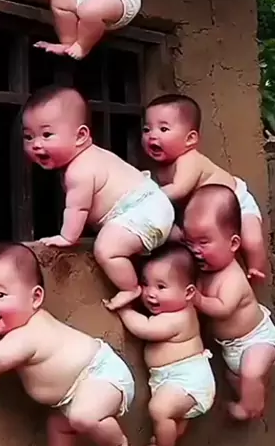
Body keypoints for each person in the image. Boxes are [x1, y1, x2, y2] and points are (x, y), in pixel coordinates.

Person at [0, 242, 135, 446]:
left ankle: (116, 445)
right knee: (59, 425)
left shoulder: (30, 334)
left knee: (82, 416)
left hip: (100, 375)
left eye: (0, 295)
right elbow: (5, 349)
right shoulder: (18, 332)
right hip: (75, 391)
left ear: (35, 298)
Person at [22, 85, 174, 310]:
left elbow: (78, 208)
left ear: (81, 136)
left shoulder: (79, 170)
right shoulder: (92, 157)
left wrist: (67, 237)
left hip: (141, 211)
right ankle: (175, 234)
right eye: (28, 136)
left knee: (106, 250)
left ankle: (130, 288)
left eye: (47, 135)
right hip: (152, 205)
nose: (36, 144)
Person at [183, 185, 275, 421]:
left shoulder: (232, 278)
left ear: (234, 243)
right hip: (231, 348)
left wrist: (198, 299)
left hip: (256, 340)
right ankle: (252, 390)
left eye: (204, 242)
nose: (195, 250)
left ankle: (251, 408)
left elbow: (223, 309)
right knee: (240, 378)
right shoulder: (206, 271)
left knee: (251, 372)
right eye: (190, 242)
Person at [142, 94, 266, 280]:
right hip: (206, 214)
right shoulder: (159, 169)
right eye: (146, 129)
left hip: (236, 202)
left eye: (164, 129)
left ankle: (255, 268)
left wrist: (145, 196)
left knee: (251, 239)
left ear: (190, 139)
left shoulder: (190, 160)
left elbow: (178, 190)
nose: (152, 135)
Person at [117, 243, 215, 446]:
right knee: (168, 415)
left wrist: (123, 309)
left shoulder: (179, 317)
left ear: (189, 293)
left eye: (161, 287)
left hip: (189, 381)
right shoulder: (172, 312)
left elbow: (144, 328)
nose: (151, 293)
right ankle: (171, 435)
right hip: (172, 380)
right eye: (145, 284)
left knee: (159, 409)